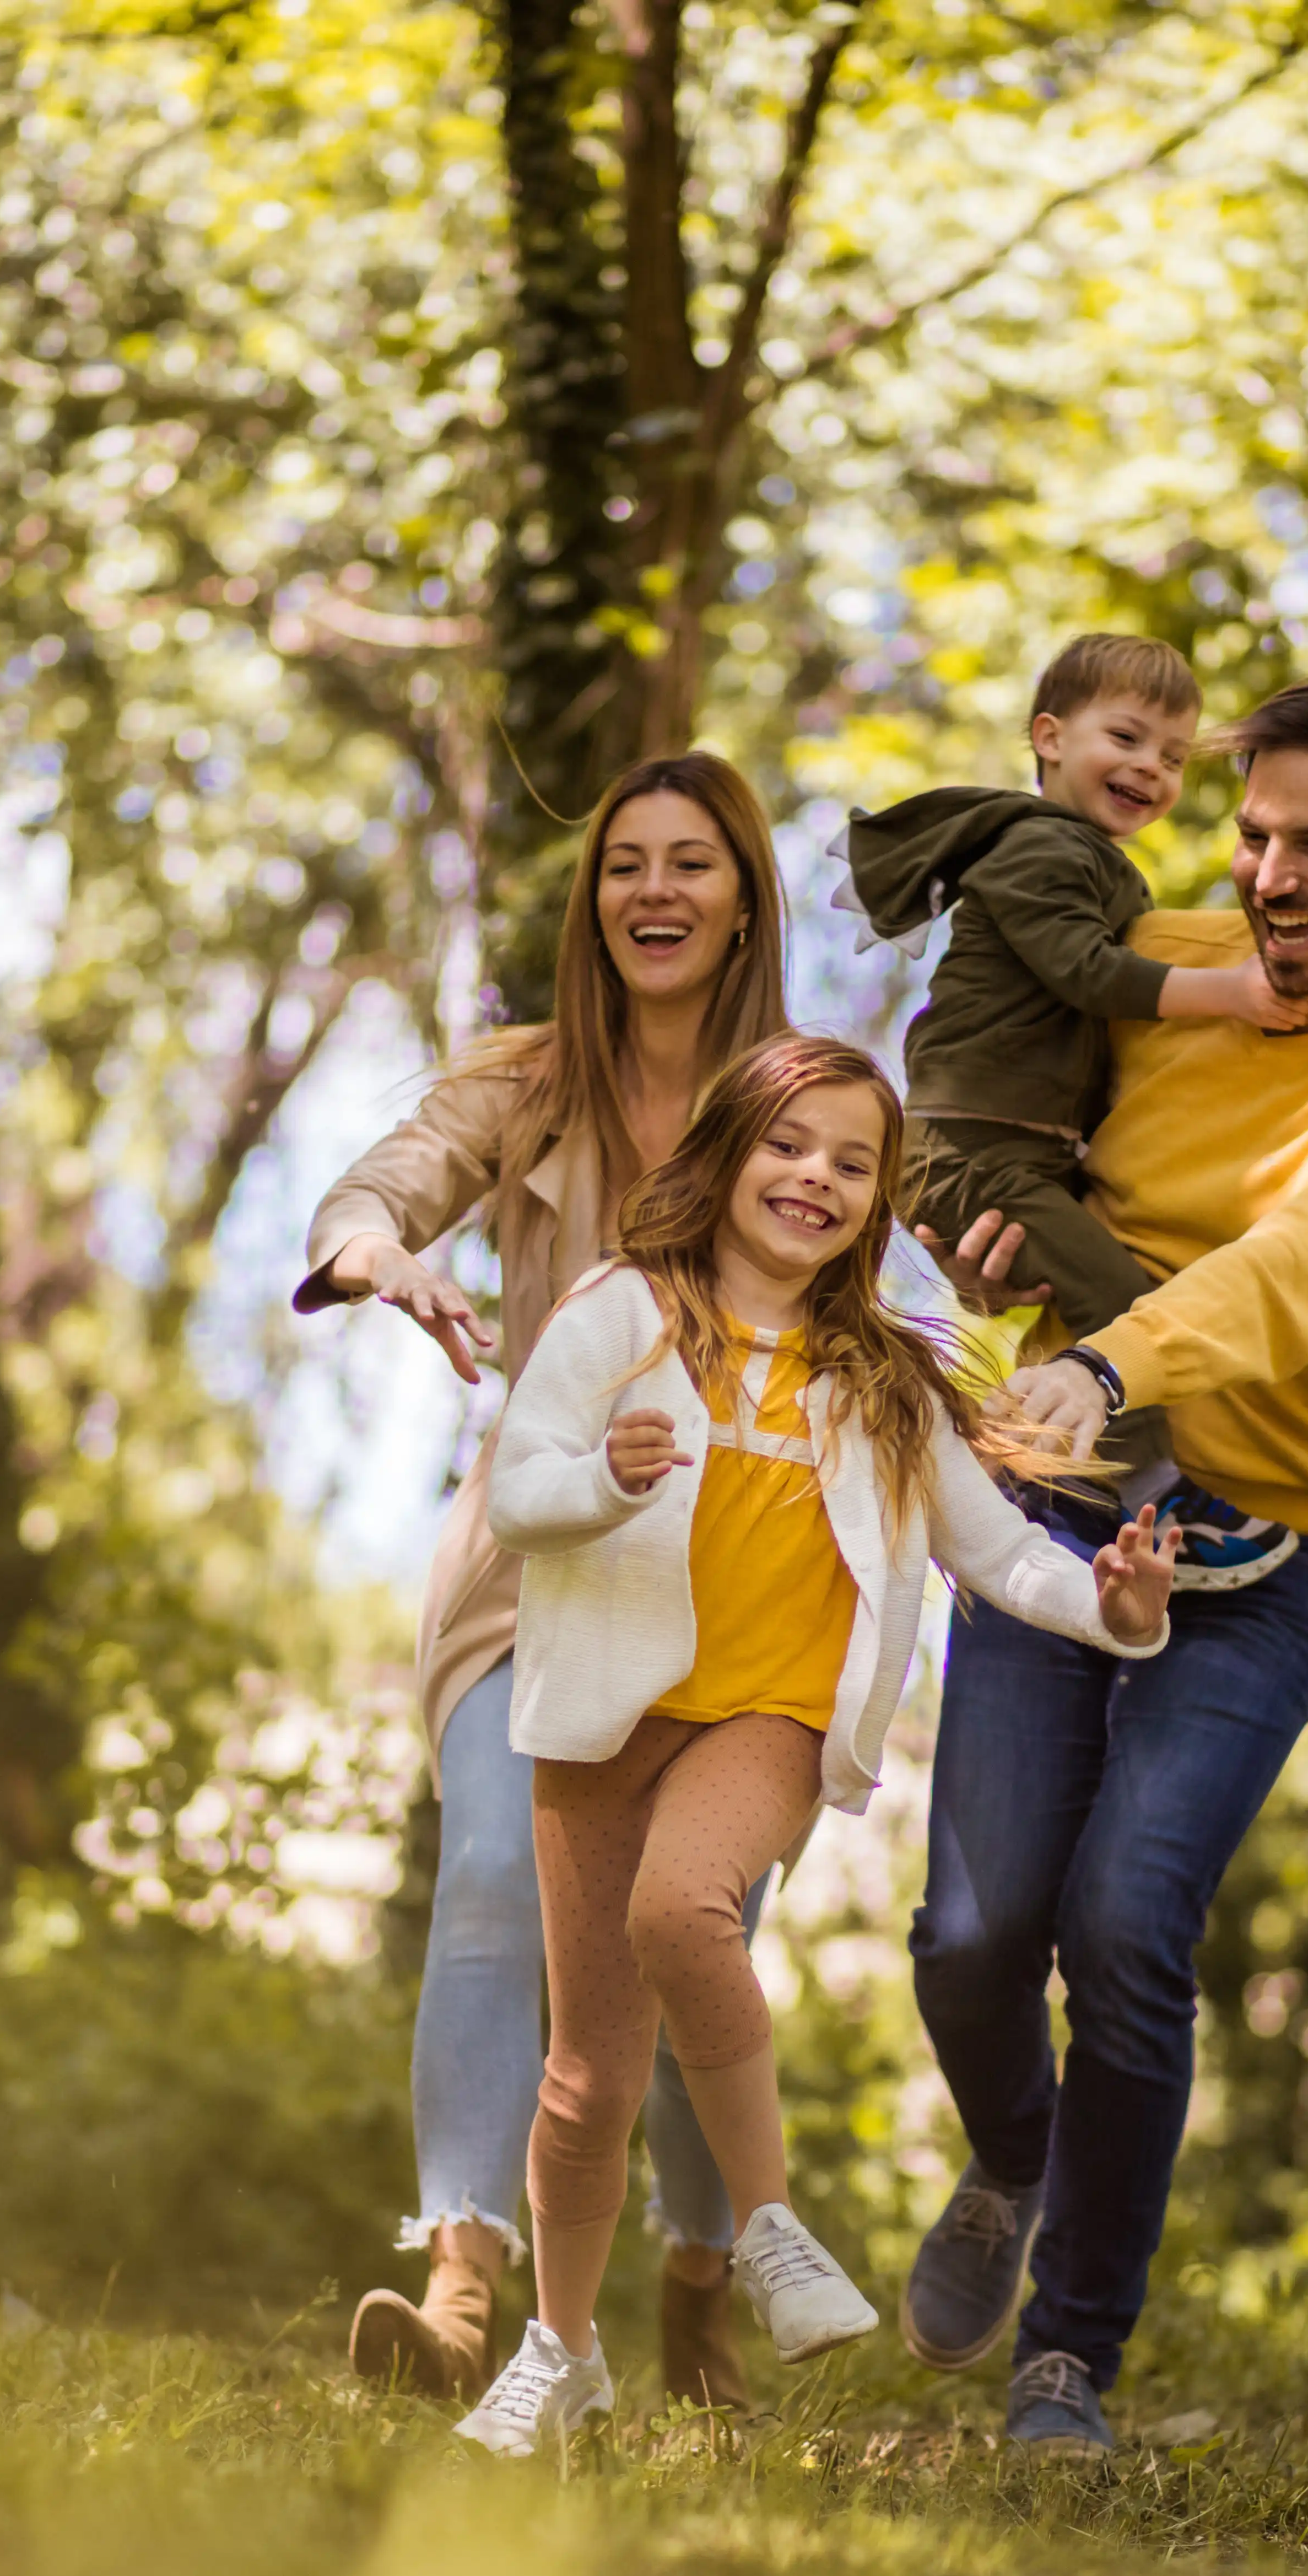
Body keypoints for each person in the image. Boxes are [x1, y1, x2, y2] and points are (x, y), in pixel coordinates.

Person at [895, 675, 1308, 2451]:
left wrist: (1110, 1360)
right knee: (970, 1930)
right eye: (1252, 836)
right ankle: (1015, 2160)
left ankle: (1068, 2357)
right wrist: (976, 1225)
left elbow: (1293, 1274)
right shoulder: (1160, 956)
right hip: (1058, 1496)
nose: (1270, 878)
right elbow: (981, 1088)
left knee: (1124, 1923)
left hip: (1268, 1549)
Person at [450, 1034, 1179, 2458]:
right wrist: (603, 1479)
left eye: (855, 1163)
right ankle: (561, 2349)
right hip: (606, 1711)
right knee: (586, 2074)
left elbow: (999, 1550)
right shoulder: (622, 1314)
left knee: (683, 1908)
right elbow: (521, 1491)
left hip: (769, 1719)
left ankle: (770, 2226)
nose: (817, 1179)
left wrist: (1111, 1607)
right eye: (792, 1145)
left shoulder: (886, 1380)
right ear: (728, 1151)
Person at [298, 752, 796, 2411]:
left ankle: (699, 2280)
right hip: (541, 1555)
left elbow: (915, 1280)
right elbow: (374, 1187)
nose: (653, 892)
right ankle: (460, 2296)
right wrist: (384, 1254)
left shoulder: (804, 1105)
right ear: (596, 905)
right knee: (500, 1882)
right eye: (624, 867)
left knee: (686, 1928)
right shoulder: (521, 1082)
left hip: (744, 1578)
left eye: (690, 865)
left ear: (742, 904)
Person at [844, 632, 1298, 1551]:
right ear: (1049, 736)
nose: (1150, 769)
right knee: (1124, 1311)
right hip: (971, 1151)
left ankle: (1044, 1484)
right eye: (1125, 739)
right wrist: (1236, 990)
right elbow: (1086, 973)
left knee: (1096, 1302)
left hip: (1009, 1150)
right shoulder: (1038, 847)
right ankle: (1134, 1499)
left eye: (1172, 756)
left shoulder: (1085, 857)